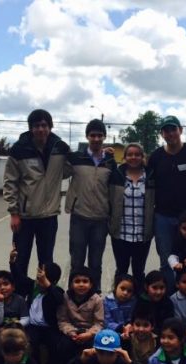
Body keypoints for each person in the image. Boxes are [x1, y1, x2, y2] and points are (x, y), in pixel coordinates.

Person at [3, 109, 70, 277]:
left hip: (49, 217)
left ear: (50, 127)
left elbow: (72, 167)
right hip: (25, 217)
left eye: (44, 125)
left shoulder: (60, 147)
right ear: (31, 128)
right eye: (36, 126)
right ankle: (19, 298)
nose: (41, 129)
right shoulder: (19, 149)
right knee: (20, 259)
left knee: (46, 262)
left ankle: (41, 298)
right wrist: (14, 213)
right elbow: (10, 182)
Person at [148, 116, 186, 292]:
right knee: (166, 261)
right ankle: (170, 298)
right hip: (163, 217)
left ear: (181, 130)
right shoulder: (156, 157)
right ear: (161, 133)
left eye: (173, 129)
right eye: (166, 130)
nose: (170, 133)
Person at [65, 119, 116, 292]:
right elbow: (58, 171)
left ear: (104, 137)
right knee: (77, 261)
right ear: (87, 136)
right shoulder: (76, 158)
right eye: (93, 135)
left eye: (99, 135)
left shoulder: (110, 161)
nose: (96, 138)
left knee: (96, 262)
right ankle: (73, 295)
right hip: (79, 216)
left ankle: (95, 295)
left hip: (100, 219)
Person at [108, 142, 154, 290]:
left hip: (142, 235)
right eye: (130, 154)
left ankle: (139, 304)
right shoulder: (116, 175)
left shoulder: (151, 176)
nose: (133, 157)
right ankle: (116, 301)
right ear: (125, 157)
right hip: (121, 234)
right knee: (121, 270)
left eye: (137, 154)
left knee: (138, 271)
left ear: (142, 156)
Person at [51, 267, 104, 364]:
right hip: (72, 332)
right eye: (77, 281)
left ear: (91, 284)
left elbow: (99, 323)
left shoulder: (97, 299)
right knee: (63, 346)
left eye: (85, 281)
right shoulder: (65, 297)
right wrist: (72, 332)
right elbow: (62, 320)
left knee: (92, 350)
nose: (81, 284)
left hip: (89, 333)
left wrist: (89, 334)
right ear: (71, 284)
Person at [0, 270, 29, 355]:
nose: (2, 288)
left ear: (13, 287)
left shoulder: (19, 299)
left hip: (17, 326)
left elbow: (26, 319)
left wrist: (11, 326)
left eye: (6, 284)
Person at [132, 270, 174, 335]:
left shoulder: (168, 302)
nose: (158, 292)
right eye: (154, 288)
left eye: (162, 288)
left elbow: (170, 323)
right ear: (146, 287)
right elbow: (135, 320)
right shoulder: (141, 302)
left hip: (163, 336)